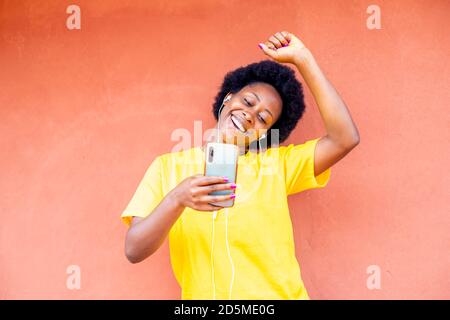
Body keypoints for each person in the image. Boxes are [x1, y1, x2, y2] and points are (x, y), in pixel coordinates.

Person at [121, 31, 360, 299]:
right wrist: (177, 198)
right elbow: (134, 250)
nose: (249, 116)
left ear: (265, 134)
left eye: (263, 119)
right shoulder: (167, 167)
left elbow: (345, 138)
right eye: (247, 102)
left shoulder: (277, 165)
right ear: (228, 98)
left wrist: (303, 59)